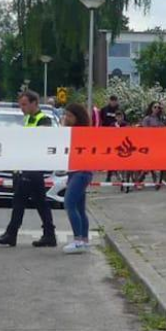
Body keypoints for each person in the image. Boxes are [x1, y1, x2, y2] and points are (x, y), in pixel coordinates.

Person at [0, 90, 57, 247]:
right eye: (21, 104)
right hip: (28, 166)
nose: (22, 107)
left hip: (34, 167)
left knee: (20, 201)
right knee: (40, 202)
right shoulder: (28, 119)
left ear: (35, 103)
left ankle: (11, 233)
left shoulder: (44, 120)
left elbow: (40, 141)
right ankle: (49, 235)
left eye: (24, 104)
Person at [60, 103, 94, 254]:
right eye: (66, 115)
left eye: (70, 116)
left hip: (81, 171)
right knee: (80, 207)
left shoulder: (81, 132)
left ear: (77, 117)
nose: (66, 118)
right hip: (75, 171)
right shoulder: (72, 130)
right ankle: (84, 240)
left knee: (69, 203)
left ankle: (78, 240)